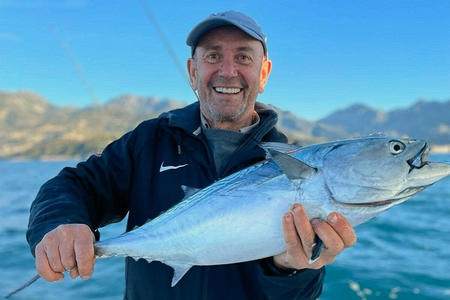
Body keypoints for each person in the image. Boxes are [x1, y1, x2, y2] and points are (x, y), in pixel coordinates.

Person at [27, 11, 356, 300]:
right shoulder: (150, 140)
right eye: (213, 56)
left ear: (264, 73)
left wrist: (294, 270)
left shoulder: (292, 164)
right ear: (193, 71)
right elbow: (74, 185)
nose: (228, 71)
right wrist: (60, 223)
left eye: (243, 57)